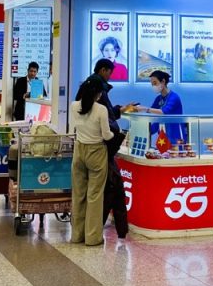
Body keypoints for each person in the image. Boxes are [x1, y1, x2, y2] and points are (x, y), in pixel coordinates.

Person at [77, 60, 129, 238]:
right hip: (100, 150)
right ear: (103, 70)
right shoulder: (99, 94)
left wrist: (118, 111)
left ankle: (82, 232)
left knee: (87, 194)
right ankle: (94, 232)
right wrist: (118, 135)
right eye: (109, 72)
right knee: (105, 191)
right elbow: (107, 129)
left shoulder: (78, 103)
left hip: (84, 149)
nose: (110, 76)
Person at [70, 79, 114, 246]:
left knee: (78, 194)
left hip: (79, 151)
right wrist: (116, 135)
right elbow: (107, 135)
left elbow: (73, 128)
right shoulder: (101, 109)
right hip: (96, 152)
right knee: (94, 196)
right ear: (98, 94)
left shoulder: (74, 105)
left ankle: (77, 235)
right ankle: (92, 237)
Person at [126, 70, 185, 146]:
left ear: (163, 82)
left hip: (175, 137)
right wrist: (144, 131)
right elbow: (152, 115)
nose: (153, 86)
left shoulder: (174, 97)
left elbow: (164, 112)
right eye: (152, 84)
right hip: (162, 138)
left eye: (155, 83)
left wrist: (144, 109)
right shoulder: (158, 99)